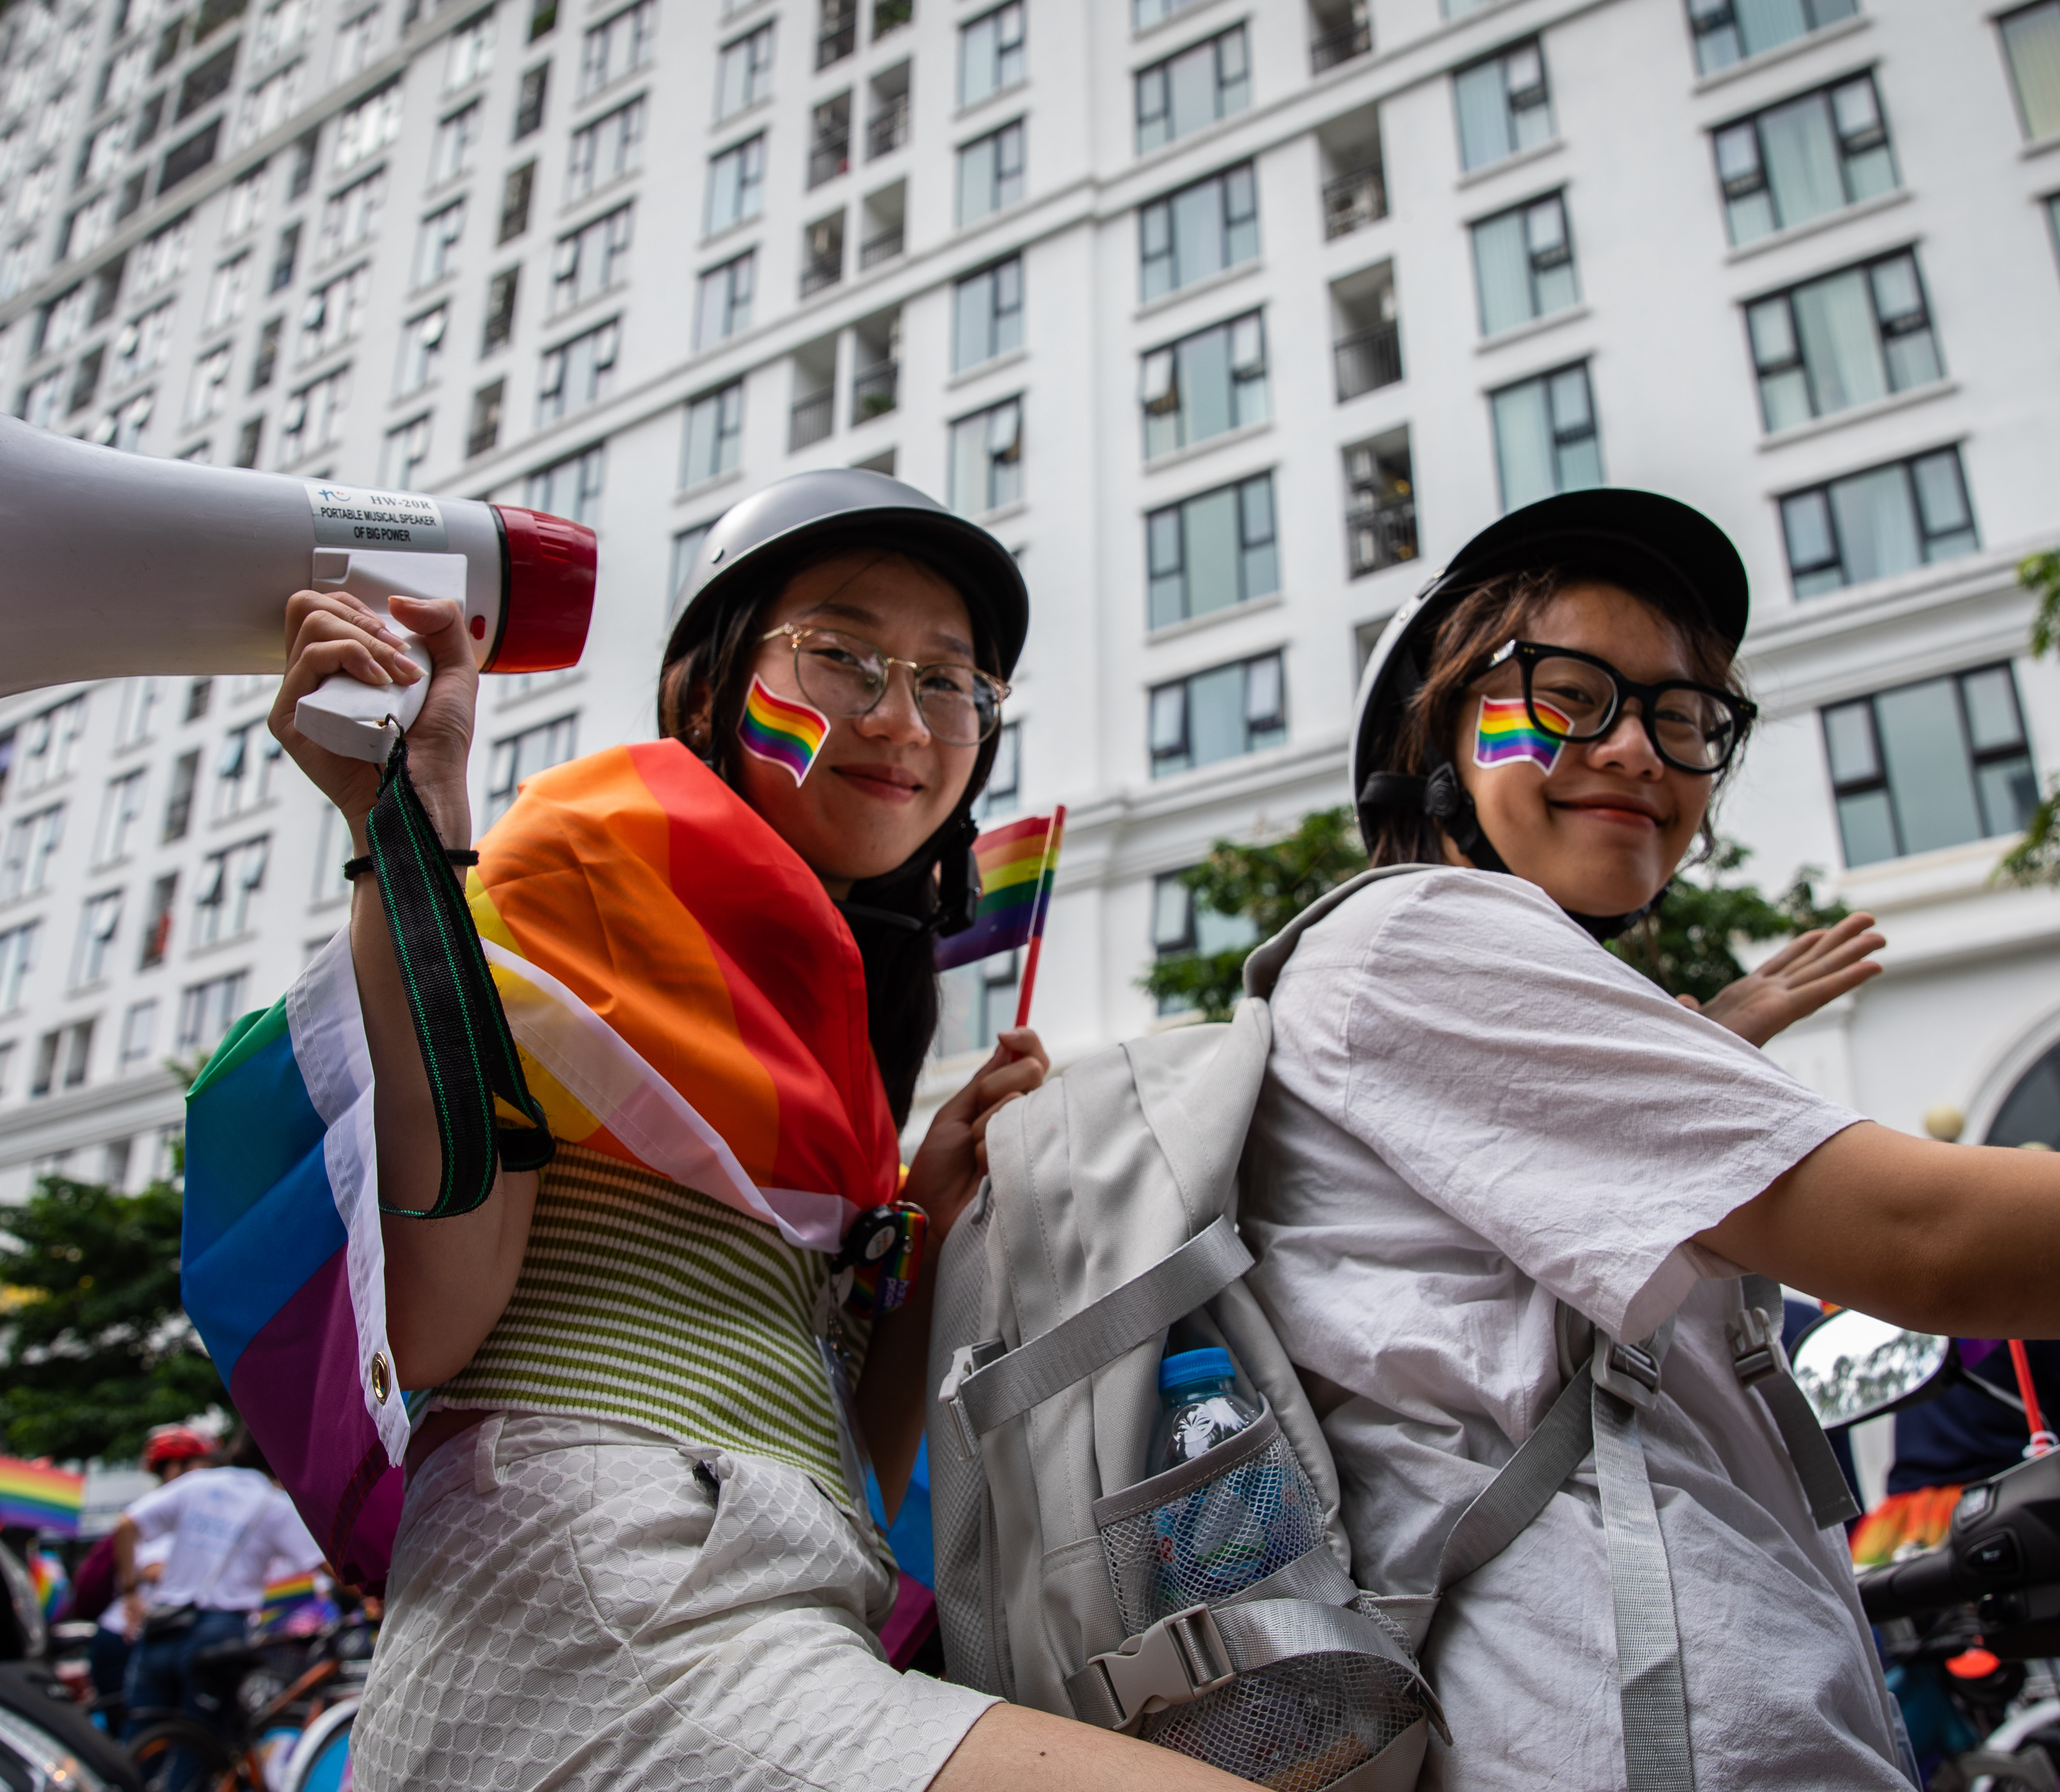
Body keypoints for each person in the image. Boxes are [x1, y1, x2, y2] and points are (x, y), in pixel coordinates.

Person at [1242, 487, 2060, 1790]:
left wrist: (1707, 1039)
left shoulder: (1450, 974)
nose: (1638, 748)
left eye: (1684, 716)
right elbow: (1927, 1237)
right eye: (1568, 693)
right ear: (1434, 728)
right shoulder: (1415, 935)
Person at [261, 470, 1242, 1790]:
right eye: (838, 653)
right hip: (600, 1612)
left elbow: (857, 1462)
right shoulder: (590, 852)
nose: (901, 715)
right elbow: (431, 1321)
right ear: (701, 687)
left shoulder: (824, 1010)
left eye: (951, 680)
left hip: (775, 1601)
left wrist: (922, 1209)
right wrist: (412, 819)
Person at [113, 1427, 314, 1742]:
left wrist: (131, 1595)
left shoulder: (196, 1484)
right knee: (200, 1747)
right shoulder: (274, 1504)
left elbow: (126, 1524)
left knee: (142, 1740)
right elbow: (327, 1566)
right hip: (219, 1633)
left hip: (164, 1625)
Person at [83, 1425, 211, 1728]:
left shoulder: (173, 1510)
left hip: (146, 1636)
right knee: (139, 1734)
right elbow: (154, 1568)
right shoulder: (159, 1515)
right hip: (126, 1639)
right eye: (198, 1466)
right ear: (174, 1468)